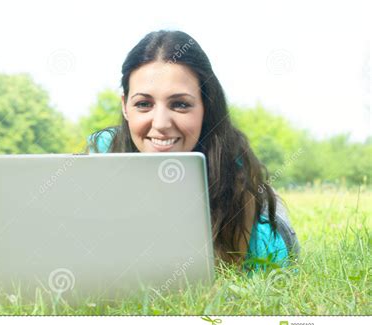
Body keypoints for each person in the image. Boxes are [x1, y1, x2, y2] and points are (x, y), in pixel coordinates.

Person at [86, 30, 299, 270]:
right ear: (125, 107)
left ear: (205, 105)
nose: (160, 124)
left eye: (180, 104)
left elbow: (224, 273)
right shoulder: (104, 150)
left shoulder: (230, 163)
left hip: (261, 236)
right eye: (144, 104)